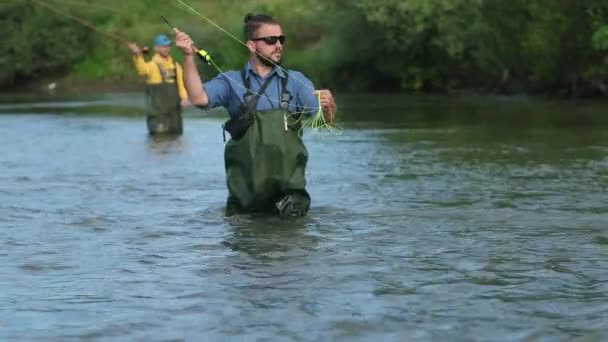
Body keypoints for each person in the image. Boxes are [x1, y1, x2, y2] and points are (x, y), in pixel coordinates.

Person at [175, 13, 337, 218]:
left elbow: (325, 122)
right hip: (245, 205)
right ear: (252, 45)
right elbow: (198, 98)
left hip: (290, 204)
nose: (278, 45)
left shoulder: (296, 81)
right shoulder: (230, 81)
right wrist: (189, 57)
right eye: (271, 40)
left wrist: (330, 106)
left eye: (281, 39)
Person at [128, 34, 189, 135]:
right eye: (163, 46)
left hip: (174, 113)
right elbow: (142, 70)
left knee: (177, 139)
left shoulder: (175, 65)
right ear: (156, 48)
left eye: (168, 46)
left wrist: (184, 98)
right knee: (158, 139)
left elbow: (181, 84)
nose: (166, 48)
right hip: (157, 113)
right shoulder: (151, 65)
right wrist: (137, 55)